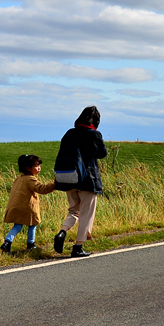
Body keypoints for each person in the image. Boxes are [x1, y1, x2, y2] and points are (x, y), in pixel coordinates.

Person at [53, 106, 107, 257]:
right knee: (86, 215)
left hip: (70, 179)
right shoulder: (94, 134)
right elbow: (102, 154)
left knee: (73, 211)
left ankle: (62, 232)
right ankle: (78, 247)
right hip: (88, 180)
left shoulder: (69, 133)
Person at [0, 154, 57, 252]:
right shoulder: (30, 179)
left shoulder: (19, 179)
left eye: (39, 165)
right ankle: (31, 243)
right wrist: (54, 185)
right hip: (28, 207)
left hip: (16, 206)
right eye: (36, 165)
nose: (39, 168)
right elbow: (41, 189)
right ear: (28, 168)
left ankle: (7, 242)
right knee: (33, 224)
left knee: (17, 226)